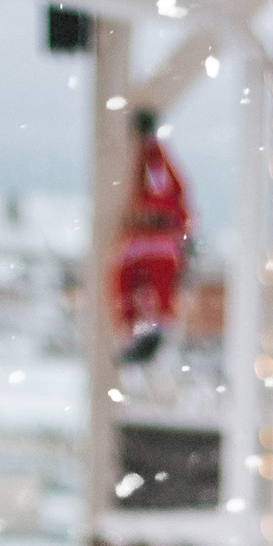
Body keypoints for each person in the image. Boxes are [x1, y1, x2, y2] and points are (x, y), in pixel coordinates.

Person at [110, 107, 190, 364]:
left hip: (149, 245)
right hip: (156, 244)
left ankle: (138, 337)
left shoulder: (163, 198)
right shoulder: (167, 198)